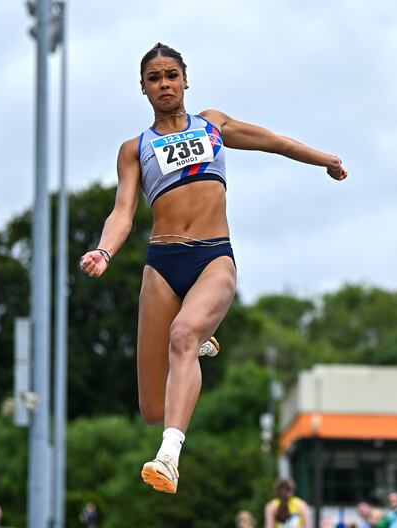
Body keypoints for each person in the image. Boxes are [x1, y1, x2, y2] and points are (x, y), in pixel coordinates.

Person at [78, 42, 347, 495]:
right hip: (162, 263)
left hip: (212, 257)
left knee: (182, 336)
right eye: (154, 78)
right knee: (150, 406)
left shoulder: (213, 124)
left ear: (186, 79)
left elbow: (275, 143)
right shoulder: (134, 148)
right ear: (142, 89)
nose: (164, 84)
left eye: (171, 75)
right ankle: (197, 341)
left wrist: (326, 159)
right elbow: (122, 212)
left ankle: (168, 457)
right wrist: (104, 251)